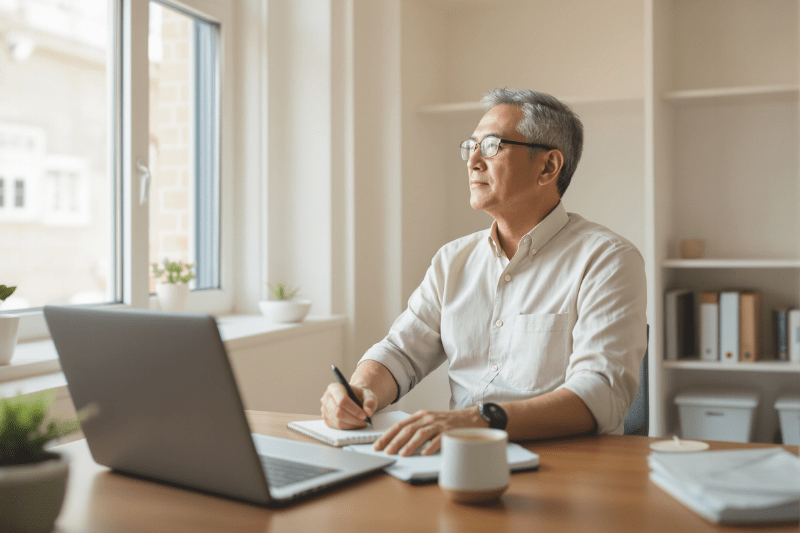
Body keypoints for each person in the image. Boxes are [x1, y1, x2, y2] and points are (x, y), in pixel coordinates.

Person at [320, 88, 647, 456]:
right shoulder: (453, 260)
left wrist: (480, 419)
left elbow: (601, 394)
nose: (473, 160)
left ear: (547, 167)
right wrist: (360, 392)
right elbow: (399, 353)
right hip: (461, 460)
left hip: (567, 468)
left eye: (491, 146)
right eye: (470, 146)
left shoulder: (607, 259)